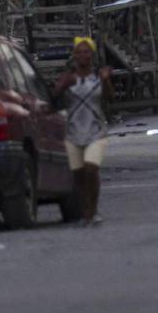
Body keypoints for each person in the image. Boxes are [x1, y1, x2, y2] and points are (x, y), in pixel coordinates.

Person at [51, 37, 112, 226]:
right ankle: (84, 210)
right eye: (79, 52)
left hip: (96, 132)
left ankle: (93, 210)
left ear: (92, 55)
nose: (83, 55)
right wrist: (61, 87)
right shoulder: (68, 78)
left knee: (91, 169)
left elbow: (110, 98)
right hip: (73, 132)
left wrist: (106, 81)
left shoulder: (98, 76)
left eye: (86, 52)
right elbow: (53, 97)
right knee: (78, 176)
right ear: (74, 56)